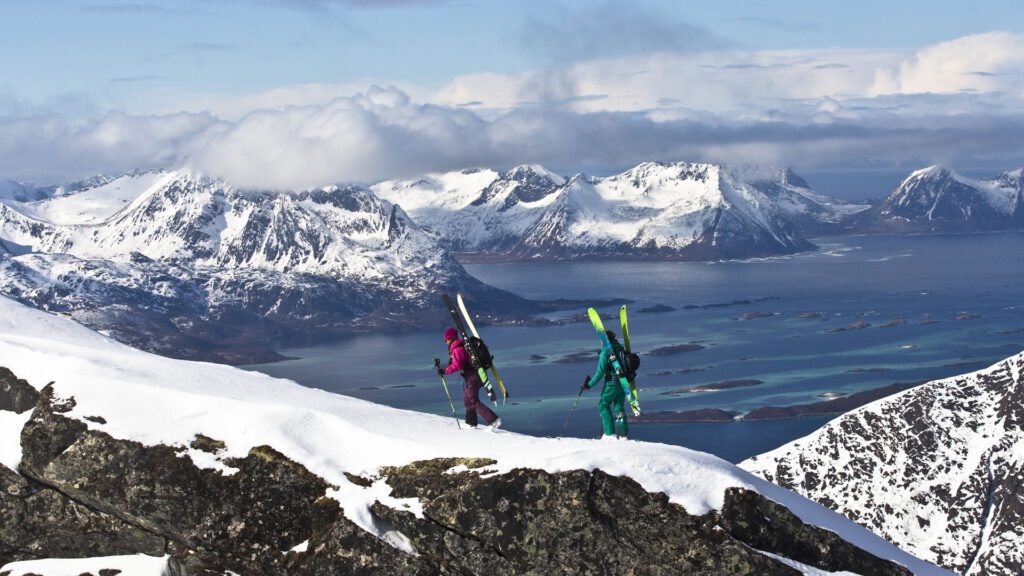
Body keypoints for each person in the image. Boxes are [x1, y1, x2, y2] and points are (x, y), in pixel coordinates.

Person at [437, 328, 501, 431]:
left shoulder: (457, 348)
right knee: (467, 399)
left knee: (473, 400)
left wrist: (445, 371)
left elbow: (457, 365)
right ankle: (471, 422)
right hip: (472, 376)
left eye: (446, 340)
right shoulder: (460, 346)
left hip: (473, 376)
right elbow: (459, 362)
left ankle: (493, 420)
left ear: (450, 338)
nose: (446, 342)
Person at [580, 330, 637, 440]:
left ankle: (610, 434)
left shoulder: (606, 352)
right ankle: (623, 434)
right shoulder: (620, 347)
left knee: (603, 405)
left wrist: (589, 385)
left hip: (611, 384)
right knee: (619, 407)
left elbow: (600, 373)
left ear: (604, 340)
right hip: (623, 383)